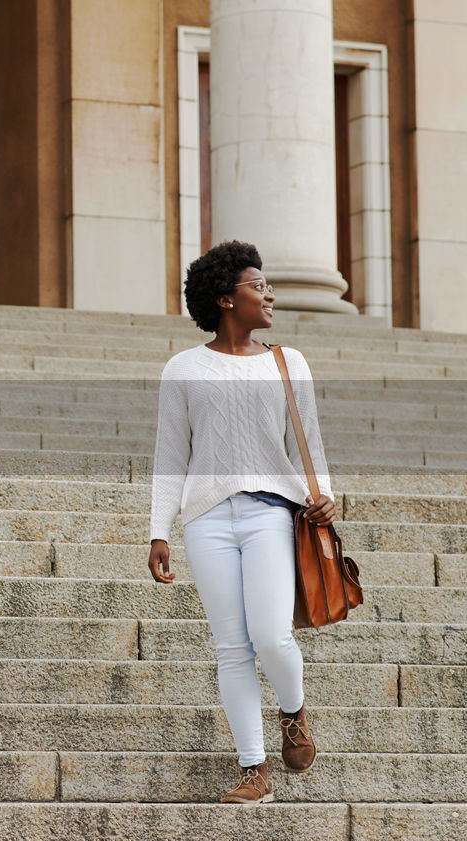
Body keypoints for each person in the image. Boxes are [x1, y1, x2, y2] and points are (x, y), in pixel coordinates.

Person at [146, 240, 337, 805]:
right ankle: (255, 770)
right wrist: (160, 529)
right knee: (232, 648)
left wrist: (324, 494)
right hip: (205, 520)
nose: (270, 293)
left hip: (270, 514)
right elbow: (169, 454)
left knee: (272, 635)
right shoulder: (183, 368)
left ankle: (294, 712)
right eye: (259, 285)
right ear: (227, 299)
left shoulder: (288, 362)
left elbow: (310, 440)